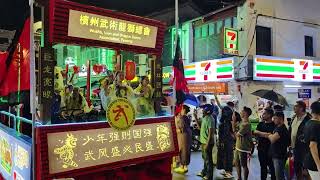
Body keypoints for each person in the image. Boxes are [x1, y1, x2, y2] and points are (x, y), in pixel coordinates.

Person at [262, 112, 290, 180]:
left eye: (275, 118)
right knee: (277, 174)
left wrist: (268, 135)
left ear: (280, 119)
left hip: (279, 156)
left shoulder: (282, 129)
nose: (273, 120)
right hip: (275, 155)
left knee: (279, 176)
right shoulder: (278, 127)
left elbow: (272, 139)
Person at [289, 101, 312, 179]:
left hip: (304, 149)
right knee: (297, 167)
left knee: (306, 169)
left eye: (296, 106)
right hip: (294, 147)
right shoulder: (294, 117)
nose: (294, 107)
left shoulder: (308, 119)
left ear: (301, 108)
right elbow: (291, 130)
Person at [254, 108, 276, 180]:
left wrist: (261, 134)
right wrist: (266, 134)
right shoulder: (261, 124)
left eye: (264, 113)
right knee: (263, 167)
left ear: (269, 115)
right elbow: (255, 132)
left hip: (271, 150)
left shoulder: (274, 125)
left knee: (272, 168)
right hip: (261, 149)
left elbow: (273, 136)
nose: (262, 115)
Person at [195, 104, 215, 180]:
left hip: (208, 143)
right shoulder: (205, 118)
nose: (202, 110)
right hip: (203, 142)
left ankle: (209, 176)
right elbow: (200, 128)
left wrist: (207, 144)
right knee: (205, 158)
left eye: (203, 109)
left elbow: (211, 132)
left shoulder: (210, 119)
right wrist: (196, 117)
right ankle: (204, 172)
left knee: (208, 160)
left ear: (207, 110)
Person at [234, 107, 253, 180]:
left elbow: (236, 135)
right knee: (237, 163)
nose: (240, 113)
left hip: (243, 148)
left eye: (242, 111)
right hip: (238, 146)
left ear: (245, 113)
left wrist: (233, 123)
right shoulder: (242, 122)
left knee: (244, 165)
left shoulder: (246, 124)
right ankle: (239, 178)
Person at [217, 106, 235, 179]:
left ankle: (229, 172)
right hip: (225, 141)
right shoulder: (225, 121)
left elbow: (226, 133)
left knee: (228, 156)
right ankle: (226, 170)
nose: (221, 113)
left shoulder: (227, 122)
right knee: (224, 156)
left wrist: (222, 142)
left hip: (227, 142)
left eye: (222, 111)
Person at [303, 101, 320, 179]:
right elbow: (312, 146)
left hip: (309, 160)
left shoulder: (308, 123)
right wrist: (319, 165)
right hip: (315, 163)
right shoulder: (317, 125)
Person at [174, 105, 192, 174]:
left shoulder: (181, 118)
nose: (180, 110)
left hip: (183, 136)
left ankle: (182, 167)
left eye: (181, 109)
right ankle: (185, 166)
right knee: (186, 151)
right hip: (187, 135)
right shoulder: (187, 117)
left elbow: (180, 129)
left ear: (183, 110)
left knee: (182, 151)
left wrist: (176, 121)